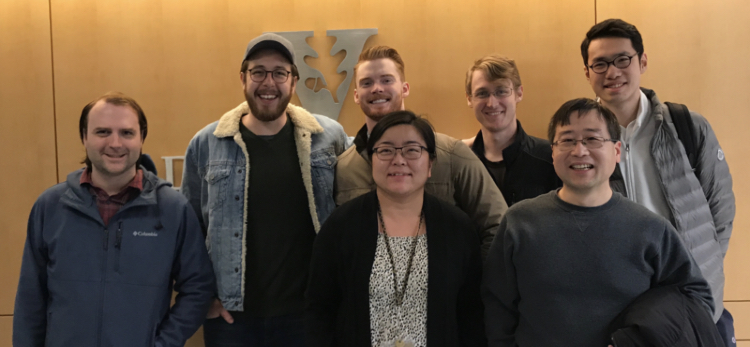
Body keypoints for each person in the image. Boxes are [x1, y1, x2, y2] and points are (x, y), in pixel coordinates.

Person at [482, 98, 713, 346]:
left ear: (616, 151)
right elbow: (497, 305)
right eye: (567, 140)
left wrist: (642, 340)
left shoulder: (650, 229)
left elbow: (695, 299)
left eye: (592, 139)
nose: (579, 150)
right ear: (553, 152)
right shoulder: (519, 223)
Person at [181, 33, 348, 346]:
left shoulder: (328, 137)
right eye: (258, 71)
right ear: (243, 79)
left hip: (308, 315)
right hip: (233, 319)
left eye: (280, 73)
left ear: (294, 82)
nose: (268, 82)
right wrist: (204, 299)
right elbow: (187, 233)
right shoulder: (206, 144)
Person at [13, 92, 215, 347]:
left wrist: (164, 343)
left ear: (141, 138)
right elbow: (31, 298)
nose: (115, 143)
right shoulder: (50, 206)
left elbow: (198, 288)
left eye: (127, 133)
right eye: (103, 132)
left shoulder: (173, 209)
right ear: (84, 137)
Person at [581, 18, 736, 345]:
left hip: (695, 300)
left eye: (623, 59)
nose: (612, 72)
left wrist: (700, 268)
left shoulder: (687, 125)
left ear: (643, 61)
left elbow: (720, 206)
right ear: (587, 73)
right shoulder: (581, 142)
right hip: (624, 303)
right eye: (600, 64)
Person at [306, 111, 486, 347]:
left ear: (430, 163)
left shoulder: (457, 228)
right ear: (372, 161)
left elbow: (470, 316)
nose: (399, 160)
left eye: (412, 150)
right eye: (386, 150)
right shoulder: (341, 226)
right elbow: (319, 310)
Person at [336, 46, 507, 257]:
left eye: (387, 80)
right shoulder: (344, 167)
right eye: (367, 83)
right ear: (355, 95)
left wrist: (473, 281)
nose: (376, 88)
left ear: (405, 88)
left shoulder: (452, 154)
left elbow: (498, 226)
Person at [463, 54, 560, 206]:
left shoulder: (551, 159)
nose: (492, 104)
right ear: (469, 99)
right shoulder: (460, 161)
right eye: (482, 93)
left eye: (501, 91)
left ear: (519, 93)